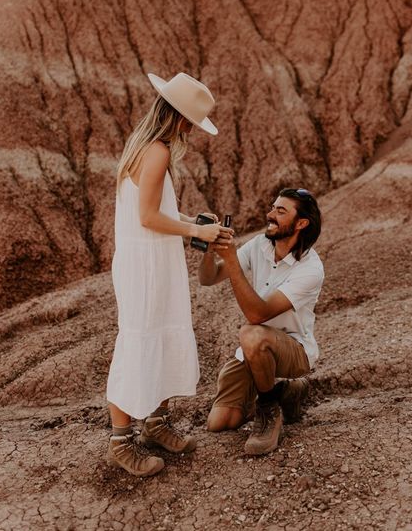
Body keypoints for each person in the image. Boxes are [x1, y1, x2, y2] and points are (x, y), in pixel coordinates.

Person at [106, 71, 231, 477]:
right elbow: (146, 217)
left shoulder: (142, 146)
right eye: (192, 124)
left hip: (148, 260)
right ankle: (122, 442)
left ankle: (156, 425)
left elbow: (154, 211)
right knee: (139, 341)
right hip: (146, 265)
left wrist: (193, 222)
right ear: (179, 119)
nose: (192, 132)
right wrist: (197, 231)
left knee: (157, 334)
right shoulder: (157, 150)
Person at [198, 188, 324, 455]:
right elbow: (208, 278)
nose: (270, 214)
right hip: (253, 350)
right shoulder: (259, 245)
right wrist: (210, 251)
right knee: (219, 423)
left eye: (281, 211)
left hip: (294, 349)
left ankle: (268, 409)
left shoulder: (311, 269)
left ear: (301, 223)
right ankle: (284, 391)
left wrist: (232, 260)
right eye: (272, 207)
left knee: (252, 333)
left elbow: (257, 315)